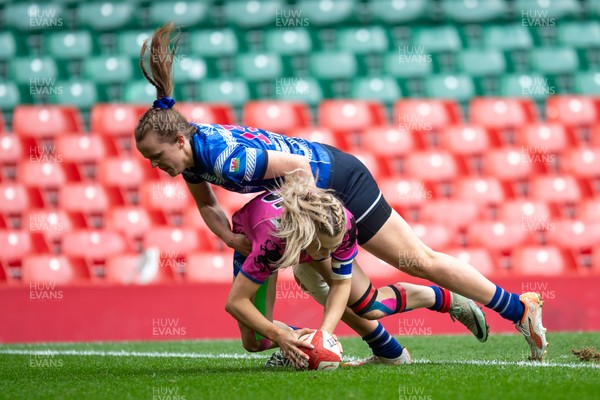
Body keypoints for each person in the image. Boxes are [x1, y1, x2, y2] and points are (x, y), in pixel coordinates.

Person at [135, 22, 547, 361]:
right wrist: (231, 237)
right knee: (334, 288)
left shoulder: (224, 159)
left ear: (179, 141)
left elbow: (297, 169)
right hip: (311, 192)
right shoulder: (192, 160)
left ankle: (518, 308)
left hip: (339, 181)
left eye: (157, 157)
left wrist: (308, 220)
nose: (158, 168)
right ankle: (379, 350)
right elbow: (207, 205)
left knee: (419, 260)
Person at [228, 174, 486, 368]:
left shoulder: (341, 222)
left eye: (336, 246)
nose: (332, 254)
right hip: (257, 240)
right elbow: (236, 302)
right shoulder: (272, 242)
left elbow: (341, 284)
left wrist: (325, 335)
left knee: (367, 305)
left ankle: (443, 299)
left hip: (306, 239)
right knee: (256, 341)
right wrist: (281, 337)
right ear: (309, 240)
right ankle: (299, 347)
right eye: (326, 250)